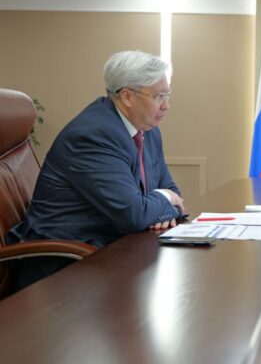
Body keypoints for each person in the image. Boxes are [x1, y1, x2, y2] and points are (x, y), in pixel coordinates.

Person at [8, 50, 185, 289]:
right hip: (65, 265)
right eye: (158, 96)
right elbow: (135, 215)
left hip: (111, 250)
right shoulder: (94, 135)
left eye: (167, 94)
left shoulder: (148, 131)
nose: (166, 105)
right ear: (127, 96)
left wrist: (161, 207)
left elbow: (174, 194)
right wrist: (163, 199)